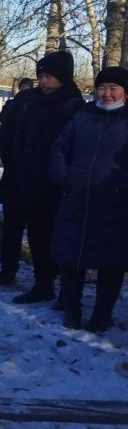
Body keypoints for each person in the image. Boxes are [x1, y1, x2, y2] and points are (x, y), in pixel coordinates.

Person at [50, 66, 128, 331]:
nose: (107, 93)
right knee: (71, 257)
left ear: (125, 93)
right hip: (76, 198)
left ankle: (101, 315)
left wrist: (120, 185)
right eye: (102, 88)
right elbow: (60, 146)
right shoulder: (82, 115)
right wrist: (63, 175)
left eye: (113, 88)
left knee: (111, 262)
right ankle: (72, 308)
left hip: (114, 203)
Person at [11, 50, 83, 305]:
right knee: (38, 235)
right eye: (40, 76)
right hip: (33, 181)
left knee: (62, 238)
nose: (42, 82)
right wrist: (21, 163)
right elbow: (21, 137)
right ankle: (43, 283)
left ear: (62, 77)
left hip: (60, 186)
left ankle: (67, 291)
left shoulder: (73, 107)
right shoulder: (34, 103)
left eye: (48, 77)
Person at [0, 77, 36, 285]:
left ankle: (43, 278)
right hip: (15, 176)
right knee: (12, 227)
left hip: (38, 180)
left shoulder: (55, 106)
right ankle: (8, 269)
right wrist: (11, 161)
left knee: (38, 230)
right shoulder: (16, 105)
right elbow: (4, 135)